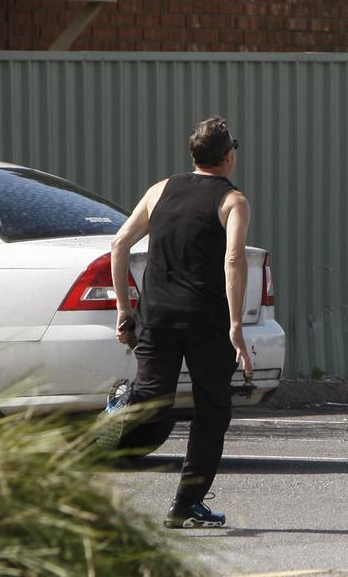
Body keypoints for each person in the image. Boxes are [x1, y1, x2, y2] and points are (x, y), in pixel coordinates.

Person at [110, 115, 254, 527]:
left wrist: (125, 307)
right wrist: (236, 326)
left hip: (157, 315)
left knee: (151, 400)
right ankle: (186, 503)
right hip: (206, 322)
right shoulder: (233, 201)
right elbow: (233, 259)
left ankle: (117, 408)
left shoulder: (159, 190)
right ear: (228, 157)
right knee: (212, 410)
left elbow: (119, 244)